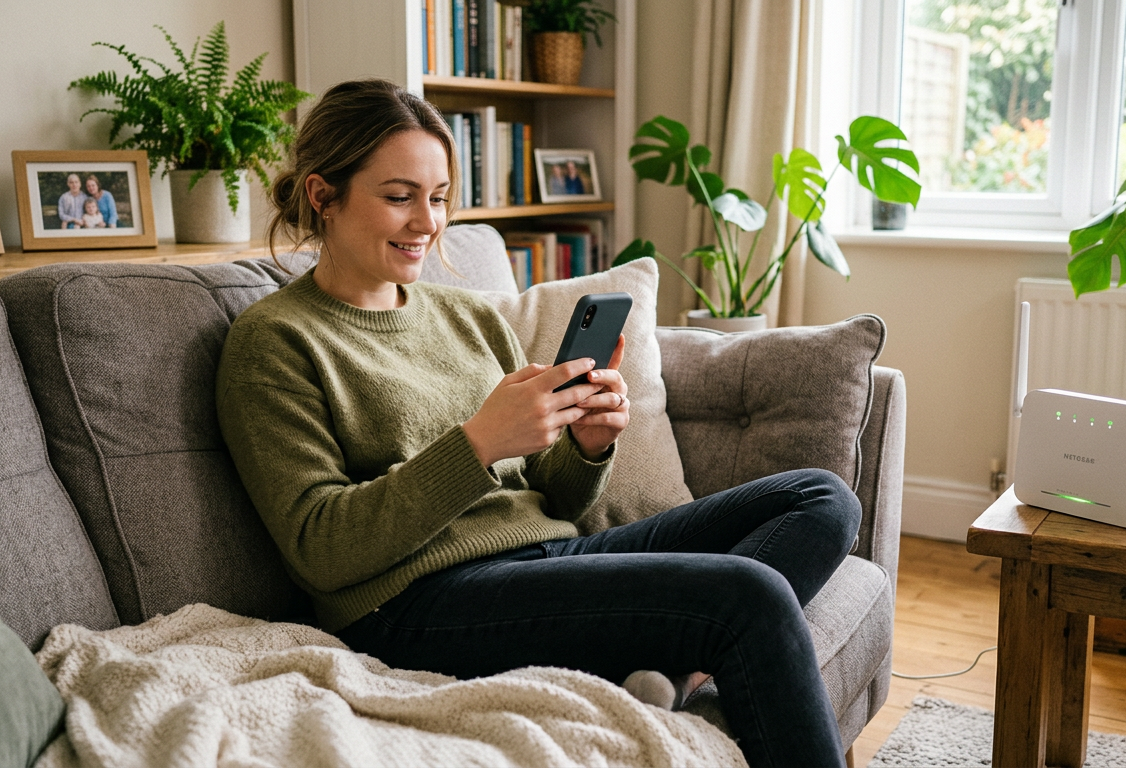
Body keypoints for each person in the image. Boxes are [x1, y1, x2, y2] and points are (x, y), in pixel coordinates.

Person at [215, 78, 859, 768]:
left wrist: (584, 446)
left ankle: (673, 665)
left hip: (545, 558)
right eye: (398, 196)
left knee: (820, 498)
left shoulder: (466, 315)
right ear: (323, 195)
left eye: (437, 199)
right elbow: (320, 546)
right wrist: (478, 443)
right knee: (749, 593)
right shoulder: (275, 341)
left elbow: (550, 500)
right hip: (415, 605)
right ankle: (682, 646)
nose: (426, 224)